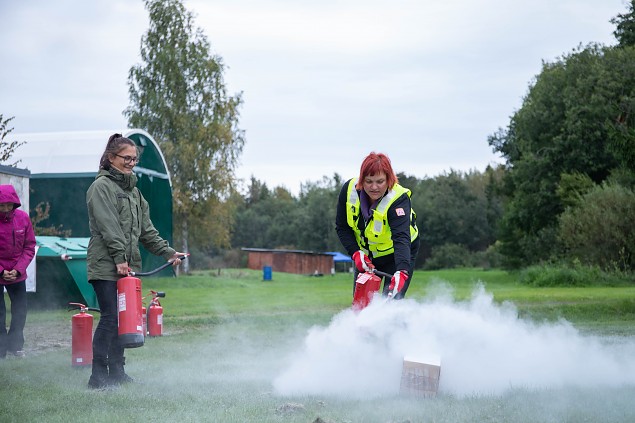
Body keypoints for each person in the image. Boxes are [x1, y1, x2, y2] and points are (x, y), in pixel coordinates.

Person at [86, 133, 185, 389]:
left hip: (128, 268)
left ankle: (117, 371)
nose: (131, 162)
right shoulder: (101, 187)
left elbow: (147, 231)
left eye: (134, 159)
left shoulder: (135, 193)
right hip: (106, 266)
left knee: (123, 319)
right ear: (111, 158)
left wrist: (169, 252)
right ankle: (98, 376)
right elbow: (108, 227)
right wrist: (119, 258)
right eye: (126, 158)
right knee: (110, 318)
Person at [335, 152, 420, 300]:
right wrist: (356, 253)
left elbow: (401, 238)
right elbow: (342, 227)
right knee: (361, 305)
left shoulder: (398, 199)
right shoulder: (348, 191)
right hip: (366, 257)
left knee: (391, 304)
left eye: (380, 181)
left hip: (397, 255)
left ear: (389, 180)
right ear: (361, 180)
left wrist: (402, 271)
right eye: (368, 181)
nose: (374, 187)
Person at [0, 184, 36, 359]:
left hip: (17, 272)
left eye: (9, 204)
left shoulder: (23, 218)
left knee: (20, 311)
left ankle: (15, 346)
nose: (6, 208)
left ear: (15, 203)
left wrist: (18, 269)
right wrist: (1, 271)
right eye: (2, 205)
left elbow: (29, 247)